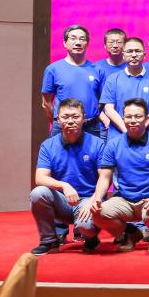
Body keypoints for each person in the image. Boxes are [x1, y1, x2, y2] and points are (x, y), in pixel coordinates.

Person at [89, 98, 149, 253]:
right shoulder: (113, 144)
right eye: (129, 117)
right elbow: (105, 177)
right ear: (123, 118)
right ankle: (132, 233)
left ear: (146, 119)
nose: (133, 120)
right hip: (124, 200)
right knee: (97, 214)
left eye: (138, 116)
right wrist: (97, 198)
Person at [29, 98, 105, 255]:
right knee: (38, 193)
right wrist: (64, 185)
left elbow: (105, 177)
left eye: (75, 116)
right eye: (65, 117)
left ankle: (91, 238)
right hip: (63, 202)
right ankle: (48, 241)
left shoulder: (97, 144)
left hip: (88, 200)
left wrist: (93, 199)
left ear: (84, 118)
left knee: (86, 227)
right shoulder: (48, 145)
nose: (70, 121)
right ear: (58, 119)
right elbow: (40, 178)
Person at [41, 24, 104, 138]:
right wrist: (59, 120)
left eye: (82, 39)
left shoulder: (98, 69)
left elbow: (102, 101)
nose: (78, 43)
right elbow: (46, 103)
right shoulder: (53, 69)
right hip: (63, 126)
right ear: (65, 43)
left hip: (91, 126)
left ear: (87, 44)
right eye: (73, 38)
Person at [100, 37, 149, 141]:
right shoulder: (112, 79)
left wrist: (140, 130)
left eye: (138, 51)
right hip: (118, 137)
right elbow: (109, 109)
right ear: (123, 55)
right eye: (129, 51)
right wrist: (128, 131)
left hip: (147, 137)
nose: (134, 55)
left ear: (144, 55)